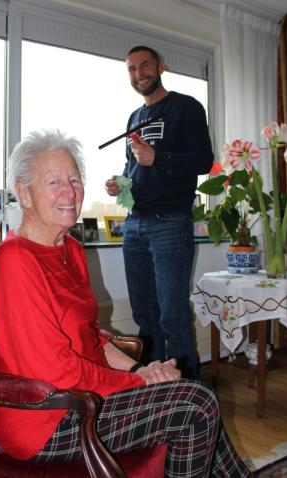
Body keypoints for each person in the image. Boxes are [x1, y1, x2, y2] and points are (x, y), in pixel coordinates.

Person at [0, 129, 251, 477]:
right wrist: (138, 383)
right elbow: (56, 372)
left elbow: (91, 337)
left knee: (190, 391)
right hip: (45, 417)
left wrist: (142, 371)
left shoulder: (71, 250)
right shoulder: (16, 261)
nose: (70, 191)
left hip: (86, 399)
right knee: (196, 404)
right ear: (25, 192)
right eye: (54, 182)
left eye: (75, 180)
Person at [105, 45, 214, 379]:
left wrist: (160, 158)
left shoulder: (186, 107)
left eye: (145, 66)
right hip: (134, 223)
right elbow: (134, 166)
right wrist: (120, 183)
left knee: (172, 313)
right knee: (144, 315)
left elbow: (203, 161)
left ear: (161, 66)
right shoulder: (134, 118)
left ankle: (187, 394)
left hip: (170, 220)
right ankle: (154, 387)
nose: (139, 74)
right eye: (132, 69)